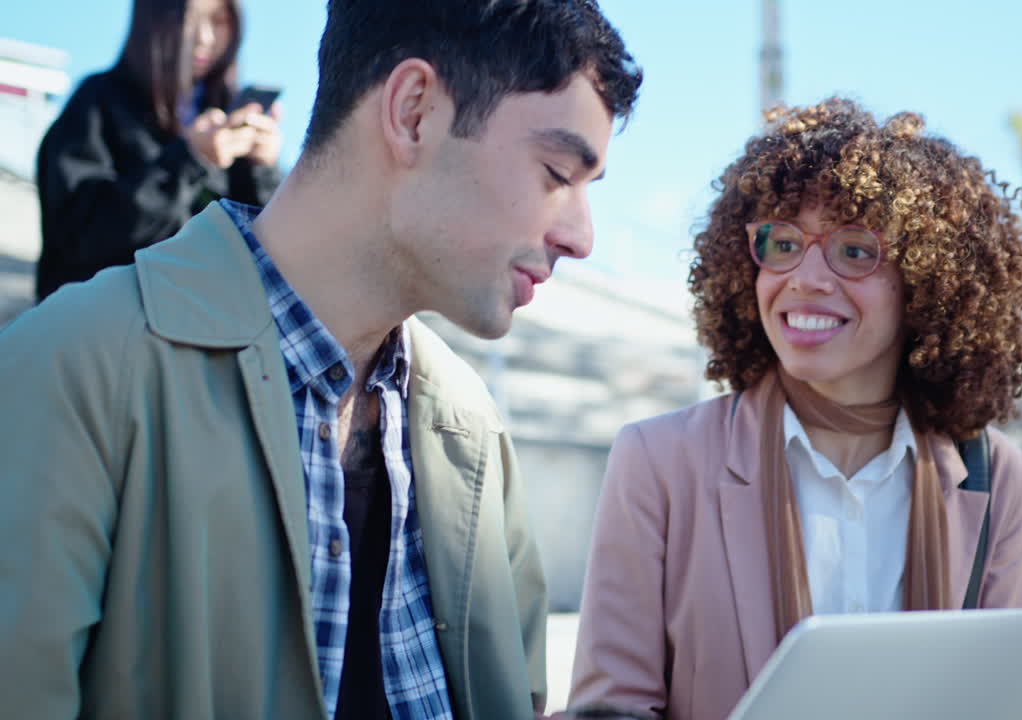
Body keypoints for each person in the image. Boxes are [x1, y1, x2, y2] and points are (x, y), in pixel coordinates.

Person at [0, 1, 641, 719]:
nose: (582, 237)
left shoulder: (476, 433)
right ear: (415, 112)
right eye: (558, 172)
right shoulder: (71, 370)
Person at [568, 98, 1022, 720]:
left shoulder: (994, 477)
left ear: (927, 283)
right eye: (782, 242)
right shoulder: (657, 461)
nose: (806, 278)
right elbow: (612, 709)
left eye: (853, 250)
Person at [34, 0, 282, 301]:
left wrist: (262, 169)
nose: (204, 37)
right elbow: (81, 234)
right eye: (190, 19)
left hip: (202, 332)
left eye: (218, 21)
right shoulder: (98, 102)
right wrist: (191, 160)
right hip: (101, 328)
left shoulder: (224, 115)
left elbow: (270, 258)